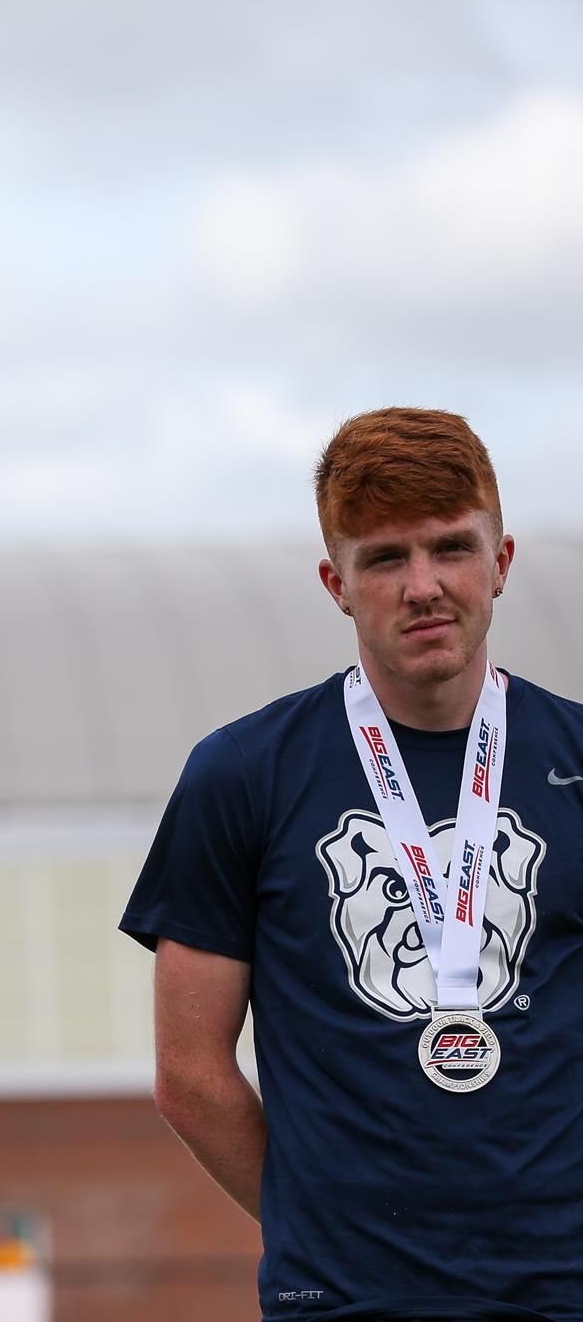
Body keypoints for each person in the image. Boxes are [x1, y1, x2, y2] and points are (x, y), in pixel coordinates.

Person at [121, 409, 583, 1319]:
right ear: (336, 582)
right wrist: (319, 1229)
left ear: (503, 561)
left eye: (452, 547)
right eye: (384, 558)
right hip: (341, 1302)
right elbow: (191, 1072)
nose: (424, 586)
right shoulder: (244, 774)